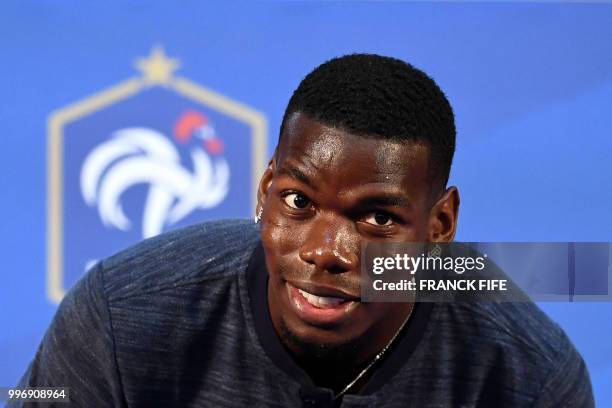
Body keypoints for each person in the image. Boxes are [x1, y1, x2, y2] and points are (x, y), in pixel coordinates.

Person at [13, 54, 593, 407]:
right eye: (297, 201)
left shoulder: (530, 375)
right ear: (265, 189)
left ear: (439, 226)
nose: (325, 252)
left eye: (378, 219)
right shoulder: (120, 314)